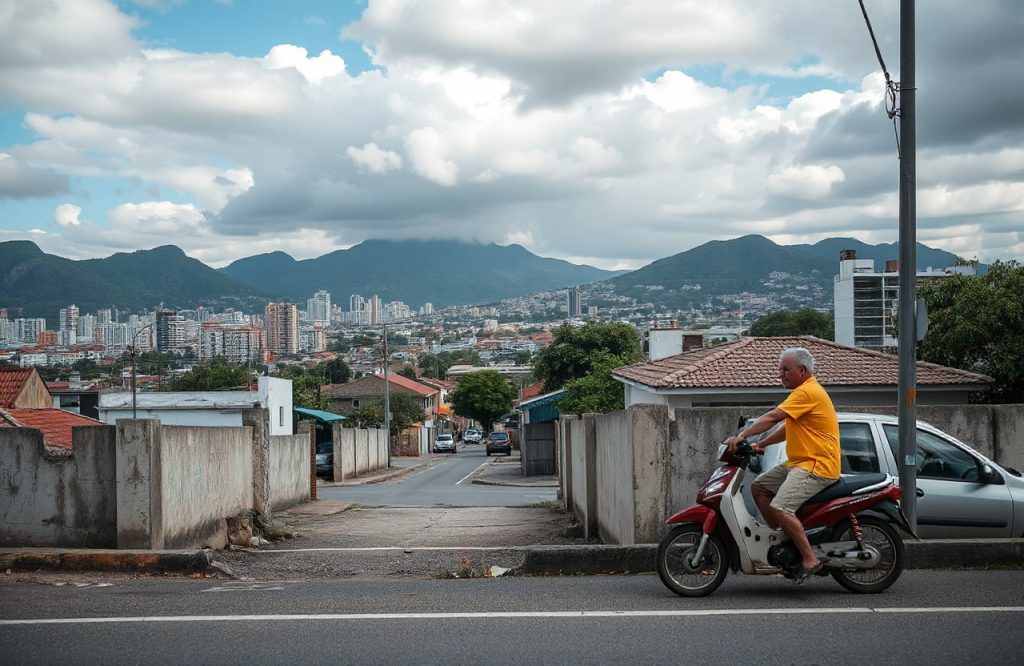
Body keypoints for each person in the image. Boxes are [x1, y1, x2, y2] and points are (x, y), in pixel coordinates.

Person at [725, 347, 840, 584]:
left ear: (802, 370)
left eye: (785, 369)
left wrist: (742, 436)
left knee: (781, 507)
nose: (781, 374)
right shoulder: (803, 394)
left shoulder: (807, 392)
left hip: (816, 465)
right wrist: (761, 444)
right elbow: (788, 428)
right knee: (759, 487)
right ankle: (785, 537)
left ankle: (810, 559)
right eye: (780, 369)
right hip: (800, 463)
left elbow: (773, 417)